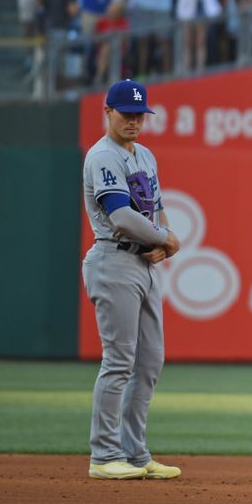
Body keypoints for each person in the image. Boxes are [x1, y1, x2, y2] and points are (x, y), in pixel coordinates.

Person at [82, 79, 182, 480]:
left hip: (144, 264)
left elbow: (155, 210)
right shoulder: (103, 156)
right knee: (119, 360)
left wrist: (165, 242)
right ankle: (104, 455)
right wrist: (165, 239)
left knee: (149, 361)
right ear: (108, 112)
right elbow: (121, 217)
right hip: (113, 259)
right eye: (126, 113)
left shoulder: (145, 155)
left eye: (140, 114)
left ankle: (135, 454)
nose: (134, 121)